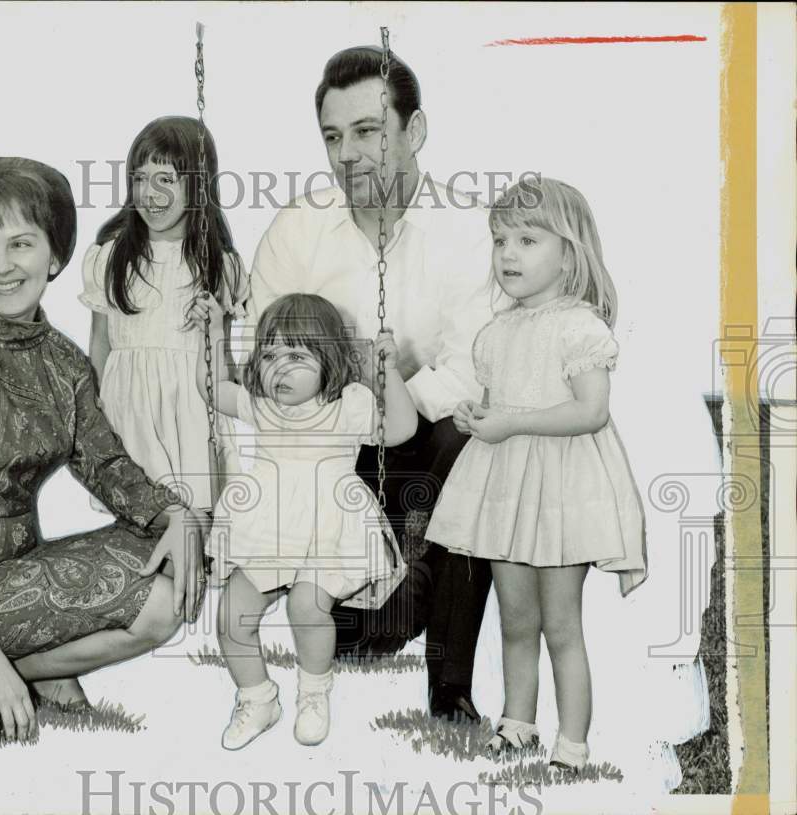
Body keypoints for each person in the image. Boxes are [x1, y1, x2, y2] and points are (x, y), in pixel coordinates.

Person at [0, 157, 208, 744]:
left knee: (173, 559)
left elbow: (109, 468)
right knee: (160, 603)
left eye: (21, 244)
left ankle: (21, 670)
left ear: (55, 256)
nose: (2, 266)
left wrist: (176, 516)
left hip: (20, 569)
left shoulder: (63, 362)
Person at [248, 45, 493, 721]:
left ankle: (450, 691)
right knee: (360, 638)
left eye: (367, 131)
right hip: (327, 447)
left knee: (471, 446)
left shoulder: (467, 233)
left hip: (424, 437)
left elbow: (472, 370)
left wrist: (397, 401)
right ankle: (352, 610)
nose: (347, 153)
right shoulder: (298, 230)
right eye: (333, 136)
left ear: (412, 132)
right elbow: (258, 354)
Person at [426, 177, 648, 771]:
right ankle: (517, 723)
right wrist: (478, 417)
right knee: (515, 618)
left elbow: (590, 410)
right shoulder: (498, 333)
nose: (508, 254)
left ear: (569, 254)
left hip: (561, 488)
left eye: (527, 239)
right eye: (500, 240)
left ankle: (571, 743)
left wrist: (513, 422)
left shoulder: (579, 327)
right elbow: (501, 405)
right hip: (508, 490)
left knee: (560, 623)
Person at [189, 292, 416, 749]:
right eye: (269, 354)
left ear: (329, 359)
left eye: (296, 354)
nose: (279, 367)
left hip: (328, 529)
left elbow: (401, 429)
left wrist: (388, 372)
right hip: (268, 527)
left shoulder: (348, 404)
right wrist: (213, 334)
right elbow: (212, 388)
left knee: (307, 608)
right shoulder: (262, 404)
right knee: (233, 617)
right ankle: (257, 698)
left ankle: (314, 693)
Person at [80, 116, 248, 511]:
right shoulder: (109, 259)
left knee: (198, 529)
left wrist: (218, 326)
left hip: (191, 417)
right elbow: (100, 346)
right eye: (140, 178)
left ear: (198, 184)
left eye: (165, 180)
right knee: (139, 529)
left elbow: (224, 367)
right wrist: (99, 422)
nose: (149, 193)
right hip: (130, 418)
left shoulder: (220, 267)